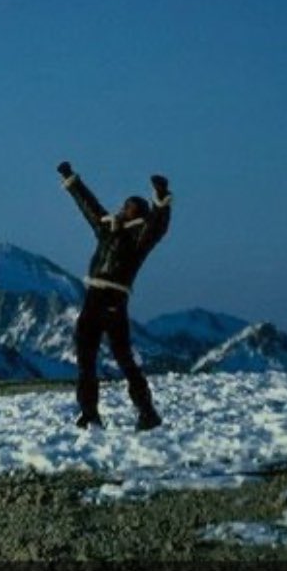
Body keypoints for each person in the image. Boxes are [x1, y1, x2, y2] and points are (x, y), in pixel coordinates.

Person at [57, 161, 172, 431]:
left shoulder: (141, 237)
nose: (122, 209)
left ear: (138, 215)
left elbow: (158, 225)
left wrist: (161, 198)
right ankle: (89, 415)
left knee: (123, 359)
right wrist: (71, 179)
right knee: (86, 358)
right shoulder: (107, 230)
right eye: (124, 205)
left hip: (113, 301)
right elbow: (89, 206)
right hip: (92, 297)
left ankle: (147, 412)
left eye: (129, 207)